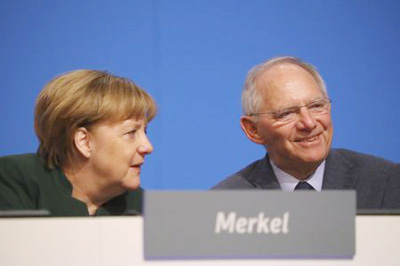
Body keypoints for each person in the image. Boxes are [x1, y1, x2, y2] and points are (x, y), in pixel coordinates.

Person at [213, 56, 400, 209]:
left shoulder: (387, 183)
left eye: (317, 106)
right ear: (253, 130)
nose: (309, 123)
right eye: (286, 113)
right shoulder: (226, 204)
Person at [0, 69, 156, 216]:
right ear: (84, 141)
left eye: (145, 131)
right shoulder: (14, 181)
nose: (148, 147)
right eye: (131, 133)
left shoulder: (142, 206)